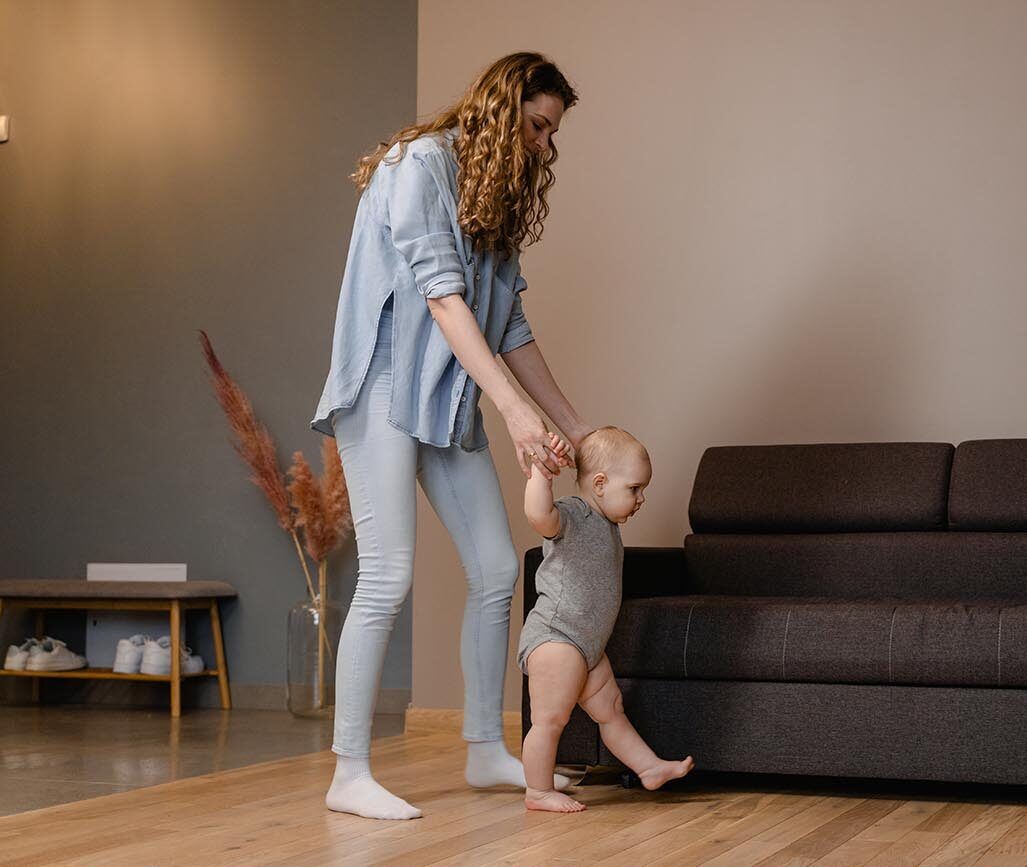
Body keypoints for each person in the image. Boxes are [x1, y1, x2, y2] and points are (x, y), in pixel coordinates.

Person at [310, 52, 591, 820]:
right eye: (535, 126)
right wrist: (513, 412)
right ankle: (349, 770)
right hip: (380, 385)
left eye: (550, 132)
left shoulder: (492, 195)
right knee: (389, 572)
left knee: (498, 568)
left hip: (444, 395)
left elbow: (510, 324)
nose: (542, 145)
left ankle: (480, 748)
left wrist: (577, 429)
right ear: (502, 109)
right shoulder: (416, 165)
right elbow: (441, 298)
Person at [518, 426, 695, 812]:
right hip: (557, 637)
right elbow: (539, 515)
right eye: (634, 489)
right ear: (599, 484)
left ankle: (649, 768)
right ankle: (538, 790)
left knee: (611, 710)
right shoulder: (576, 514)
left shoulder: (608, 526)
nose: (641, 499)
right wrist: (540, 474)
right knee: (550, 720)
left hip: (588, 646)